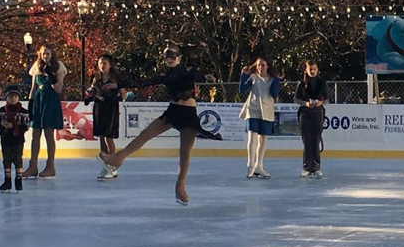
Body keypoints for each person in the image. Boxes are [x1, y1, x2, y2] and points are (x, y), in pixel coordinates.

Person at [97, 45, 221, 206]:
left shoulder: (188, 70)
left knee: (185, 152)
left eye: (172, 55)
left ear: (179, 57)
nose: (169, 58)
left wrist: (207, 76)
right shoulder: (164, 74)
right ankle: (118, 158)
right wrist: (118, 85)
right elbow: (141, 82)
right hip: (172, 111)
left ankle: (180, 186)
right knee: (145, 134)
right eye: (166, 55)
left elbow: (200, 74)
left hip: (189, 115)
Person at [22, 45, 67, 179]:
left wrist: (51, 76)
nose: (45, 56)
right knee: (35, 134)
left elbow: (59, 89)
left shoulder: (58, 66)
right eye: (43, 54)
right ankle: (32, 166)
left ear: (52, 54)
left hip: (50, 100)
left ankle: (50, 166)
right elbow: (33, 87)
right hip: (38, 100)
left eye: (48, 54)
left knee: (48, 134)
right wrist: (30, 104)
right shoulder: (37, 66)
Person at [239, 57, 282, 179]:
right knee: (252, 136)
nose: (260, 67)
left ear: (267, 66)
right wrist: (243, 75)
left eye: (263, 65)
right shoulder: (253, 77)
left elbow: (274, 94)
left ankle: (259, 165)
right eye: (258, 65)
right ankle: (250, 165)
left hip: (266, 111)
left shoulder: (272, 79)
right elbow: (242, 90)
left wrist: (277, 80)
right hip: (253, 109)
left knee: (263, 138)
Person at [85, 54, 122, 179]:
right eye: (100, 63)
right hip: (99, 108)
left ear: (110, 65)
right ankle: (105, 163)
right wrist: (90, 95)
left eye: (104, 63)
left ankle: (113, 164)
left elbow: (123, 94)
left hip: (111, 108)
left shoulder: (115, 78)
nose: (102, 65)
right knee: (101, 137)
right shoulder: (96, 77)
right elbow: (93, 90)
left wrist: (115, 89)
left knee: (109, 137)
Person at [295, 60, 328, 178]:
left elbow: (327, 100)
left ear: (317, 69)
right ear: (306, 70)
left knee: (316, 140)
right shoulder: (301, 83)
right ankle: (307, 167)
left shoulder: (322, 82)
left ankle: (316, 167)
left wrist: (320, 103)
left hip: (318, 113)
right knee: (307, 141)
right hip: (305, 113)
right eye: (310, 69)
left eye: (314, 69)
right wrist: (306, 103)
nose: (312, 71)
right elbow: (296, 100)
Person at [0, 88, 29, 193]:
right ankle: (7, 181)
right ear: (6, 98)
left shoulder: (24, 112)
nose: (13, 98)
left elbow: (26, 126)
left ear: (18, 98)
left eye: (15, 96)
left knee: (18, 159)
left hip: (18, 140)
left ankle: (19, 181)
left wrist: (13, 126)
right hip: (5, 140)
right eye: (10, 96)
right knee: (6, 160)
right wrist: (2, 125)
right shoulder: (1, 111)